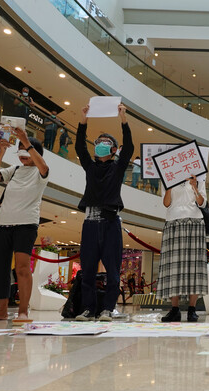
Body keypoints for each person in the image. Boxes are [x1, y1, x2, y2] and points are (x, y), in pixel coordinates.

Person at [74, 103, 134, 321]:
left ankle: (108, 308)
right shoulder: (90, 167)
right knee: (88, 268)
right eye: (98, 142)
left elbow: (129, 149)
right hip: (89, 223)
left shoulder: (117, 168)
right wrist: (83, 121)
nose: (101, 145)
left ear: (114, 149)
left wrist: (123, 120)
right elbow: (80, 147)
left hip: (110, 222)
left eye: (106, 143)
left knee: (113, 269)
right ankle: (88, 308)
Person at [0, 129, 49, 323]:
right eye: (20, 149)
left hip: (26, 225)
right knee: (0, 268)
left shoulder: (40, 172)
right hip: (4, 224)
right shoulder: (13, 170)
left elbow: (44, 166)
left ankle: (23, 311)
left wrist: (26, 142)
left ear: (34, 152)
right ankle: (2, 310)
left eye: (26, 149)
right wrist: (1, 152)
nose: (22, 152)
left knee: (22, 268)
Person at [157, 174, 208, 322]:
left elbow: (202, 203)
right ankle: (174, 309)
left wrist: (195, 186)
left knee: (194, 266)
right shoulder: (167, 177)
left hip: (195, 222)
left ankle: (192, 309)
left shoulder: (199, 178)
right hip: (173, 221)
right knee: (173, 267)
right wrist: (169, 185)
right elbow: (166, 203)